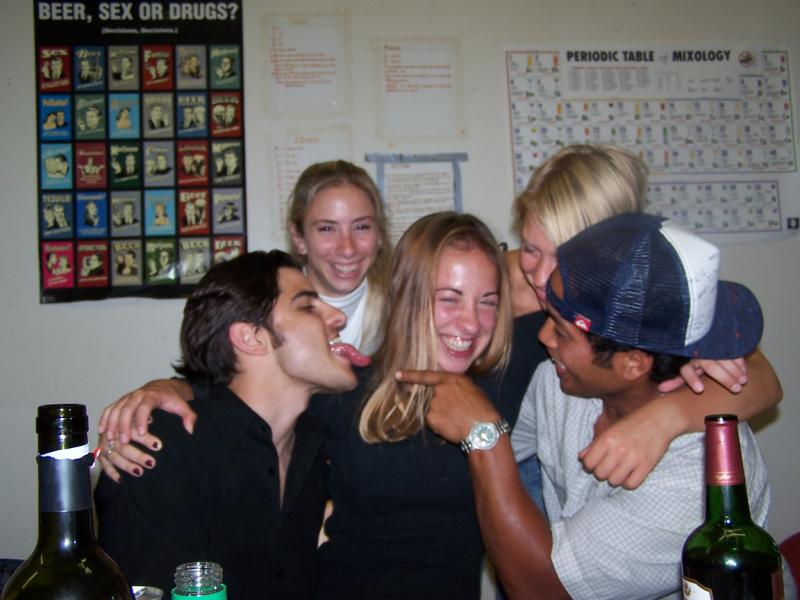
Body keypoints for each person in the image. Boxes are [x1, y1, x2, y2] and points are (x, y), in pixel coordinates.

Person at [95, 212, 524, 599]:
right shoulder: (168, 450)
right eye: (307, 306)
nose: (338, 317)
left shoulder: (306, 446)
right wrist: (163, 391)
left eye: (487, 301)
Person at [400, 211, 786, 599]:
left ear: (632, 364)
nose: (543, 337)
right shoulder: (559, 380)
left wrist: (485, 437)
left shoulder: (692, 482)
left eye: (561, 330)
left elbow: (540, 591)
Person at [95, 250, 367, 598]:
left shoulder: (314, 450)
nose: (339, 317)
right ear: (251, 338)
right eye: (307, 306)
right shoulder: (158, 452)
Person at [286, 160, 391, 354]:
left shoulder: (404, 312)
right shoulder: (269, 318)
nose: (347, 249)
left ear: (379, 235)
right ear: (299, 238)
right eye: (327, 229)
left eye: (361, 227)